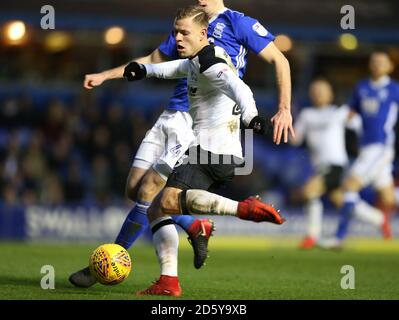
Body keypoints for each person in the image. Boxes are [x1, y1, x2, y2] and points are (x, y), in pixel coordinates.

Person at [69, 0, 293, 287]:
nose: (178, 38)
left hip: (199, 124)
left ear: (203, 34)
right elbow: (163, 64)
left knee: (153, 195)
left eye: (183, 34)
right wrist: (110, 75)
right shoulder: (188, 34)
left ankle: (113, 264)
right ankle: (193, 225)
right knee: (136, 189)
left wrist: (270, 112)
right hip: (171, 115)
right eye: (177, 34)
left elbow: (264, 70)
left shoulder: (236, 28)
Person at [319, 51, 399, 249]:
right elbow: (350, 111)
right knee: (388, 197)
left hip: (380, 146)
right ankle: (379, 220)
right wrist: (344, 118)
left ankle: (339, 238)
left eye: (382, 62)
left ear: (390, 66)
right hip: (366, 148)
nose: (377, 65)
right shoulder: (361, 87)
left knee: (348, 187)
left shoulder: (394, 89)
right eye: (374, 62)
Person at [292, 79, 361, 249]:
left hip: (335, 164)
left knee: (310, 191)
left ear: (331, 93)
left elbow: (359, 125)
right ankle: (380, 220)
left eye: (322, 90)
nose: (318, 93)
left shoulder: (339, 111)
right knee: (342, 201)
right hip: (320, 166)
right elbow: (295, 140)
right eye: (315, 90)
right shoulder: (306, 114)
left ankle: (312, 235)